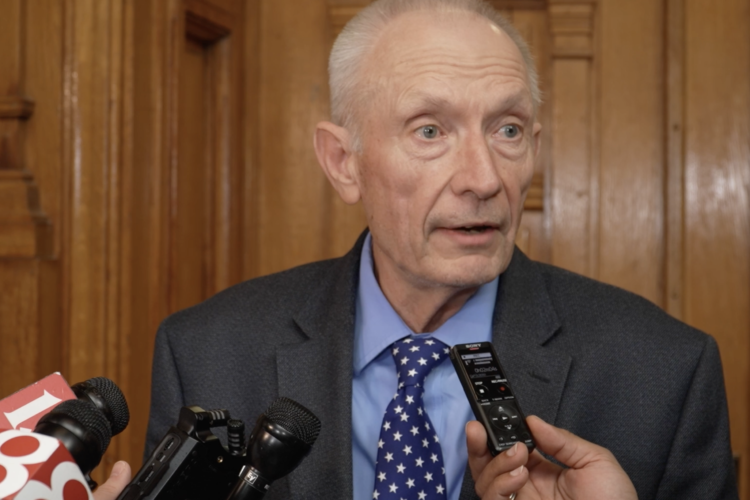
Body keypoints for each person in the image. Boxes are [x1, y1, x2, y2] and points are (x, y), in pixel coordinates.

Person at [93, 0, 737, 499]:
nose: (484, 179)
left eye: (507, 129)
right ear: (344, 162)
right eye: (430, 130)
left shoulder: (666, 373)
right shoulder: (209, 350)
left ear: (535, 148)